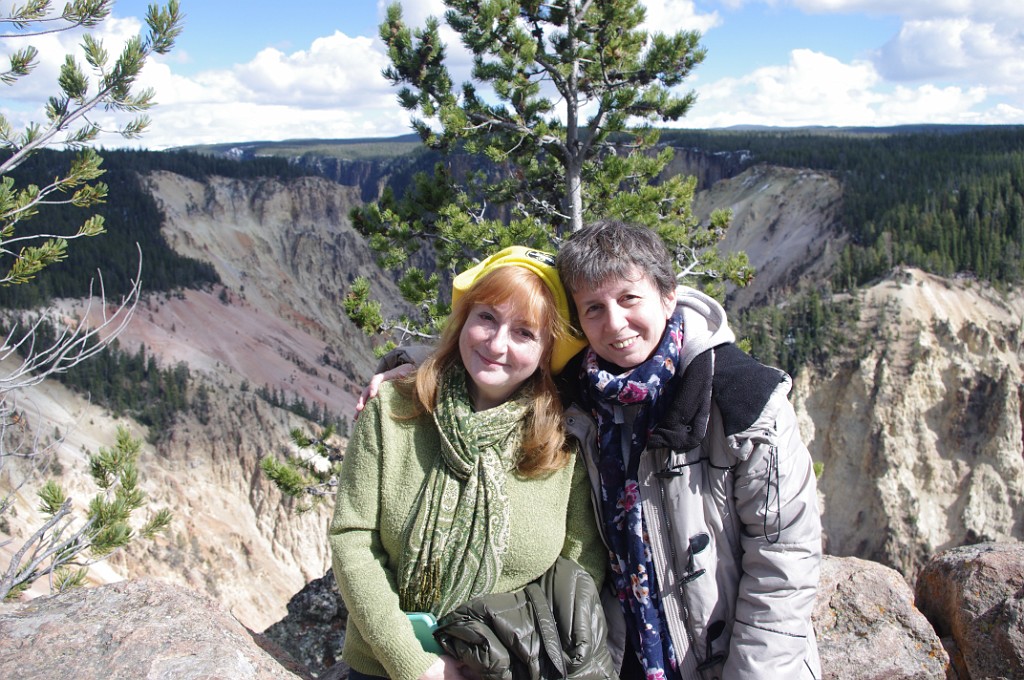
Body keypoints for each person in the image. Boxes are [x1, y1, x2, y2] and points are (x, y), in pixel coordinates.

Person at [357, 222, 823, 679]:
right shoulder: (578, 389)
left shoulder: (742, 401)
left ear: (667, 295)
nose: (615, 323)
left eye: (629, 298)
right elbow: (498, 350)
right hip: (622, 657)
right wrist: (410, 367)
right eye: (593, 308)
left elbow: (785, 560)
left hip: (724, 659)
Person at [330, 247, 606, 680]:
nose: (497, 344)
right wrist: (411, 663)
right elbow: (354, 539)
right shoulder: (394, 409)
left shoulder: (562, 442)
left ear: (547, 349)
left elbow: (578, 568)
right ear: (465, 319)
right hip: (382, 668)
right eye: (487, 318)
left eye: (524, 333)